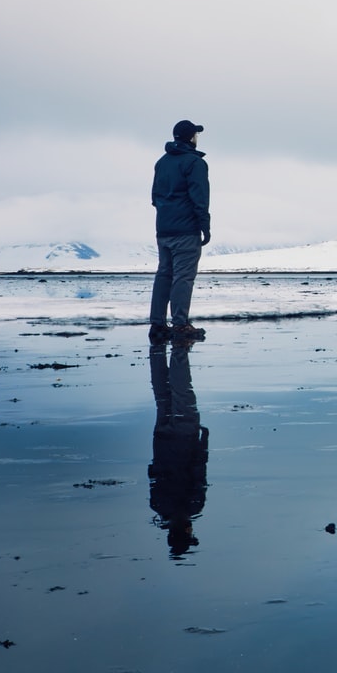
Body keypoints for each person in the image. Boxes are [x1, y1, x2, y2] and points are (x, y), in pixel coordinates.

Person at [149, 119, 211, 344]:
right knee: (183, 277)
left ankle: (157, 323)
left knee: (164, 275)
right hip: (186, 230)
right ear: (190, 137)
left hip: (164, 229)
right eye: (196, 134)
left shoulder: (162, 162)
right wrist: (204, 225)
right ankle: (180, 324)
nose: (197, 137)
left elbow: (154, 197)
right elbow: (200, 197)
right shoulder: (195, 163)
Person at [148, 342, 209, 557]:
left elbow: (199, 471)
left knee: (182, 390)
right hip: (162, 440)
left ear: (186, 531)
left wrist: (205, 441)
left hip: (184, 439)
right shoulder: (158, 507)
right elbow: (153, 474)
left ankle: (179, 348)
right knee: (161, 395)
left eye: (190, 534)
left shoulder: (193, 507)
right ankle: (157, 349)